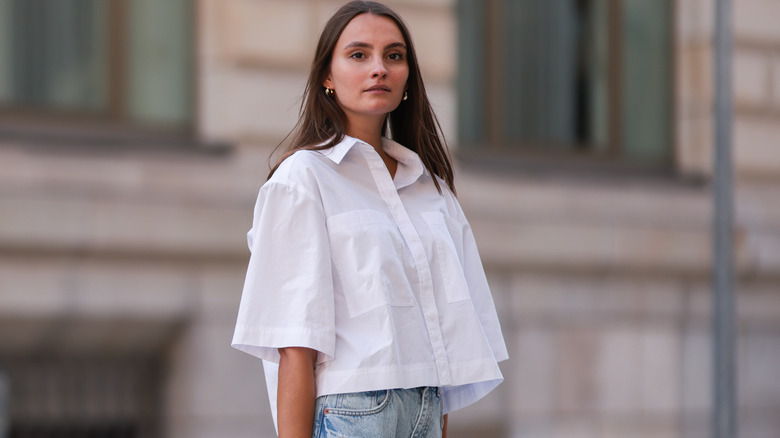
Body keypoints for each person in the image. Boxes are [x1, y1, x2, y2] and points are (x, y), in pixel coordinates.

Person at [231, 1, 508, 437]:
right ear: (327, 75)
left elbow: (445, 335)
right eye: (359, 55)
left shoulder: (430, 190)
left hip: (426, 408)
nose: (379, 68)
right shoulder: (304, 179)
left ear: (407, 78)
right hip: (353, 410)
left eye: (393, 56)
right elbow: (295, 342)